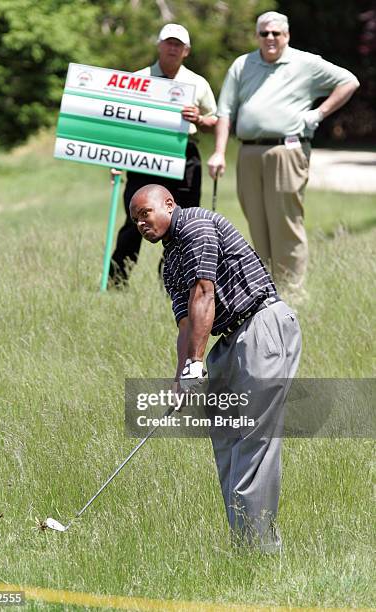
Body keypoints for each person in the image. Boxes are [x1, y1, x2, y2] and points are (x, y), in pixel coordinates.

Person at [129, 183, 302, 552]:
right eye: (135, 220)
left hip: (261, 325)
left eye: (146, 213)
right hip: (225, 342)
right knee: (226, 439)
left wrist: (194, 362)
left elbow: (204, 293)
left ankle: (260, 552)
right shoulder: (170, 263)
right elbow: (185, 326)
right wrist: (181, 377)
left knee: (253, 440)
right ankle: (244, 542)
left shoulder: (197, 226)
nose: (141, 224)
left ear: (169, 205)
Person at [208, 11, 360, 289]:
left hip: (287, 151)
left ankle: (292, 292)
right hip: (249, 152)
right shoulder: (243, 65)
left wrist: (318, 114)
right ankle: (265, 289)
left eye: (276, 33)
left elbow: (349, 81)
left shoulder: (305, 62)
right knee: (257, 222)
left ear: (286, 36)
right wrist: (219, 151)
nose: (270, 38)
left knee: (285, 225)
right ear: (257, 36)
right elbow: (225, 111)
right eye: (264, 33)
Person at [109, 23, 217, 285]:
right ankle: (116, 282)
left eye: (178, 44)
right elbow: (122, 124)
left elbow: (216, 120)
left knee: (184, 220)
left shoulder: (197, 83)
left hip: (184, 155)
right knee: (136, 219)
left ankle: (173, 283)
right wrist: (114, 159)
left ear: (186, 51)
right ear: (159, 45)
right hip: (145, 156)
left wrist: (199, 119)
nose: (172, 48)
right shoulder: (137, 79)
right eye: (168, 42)